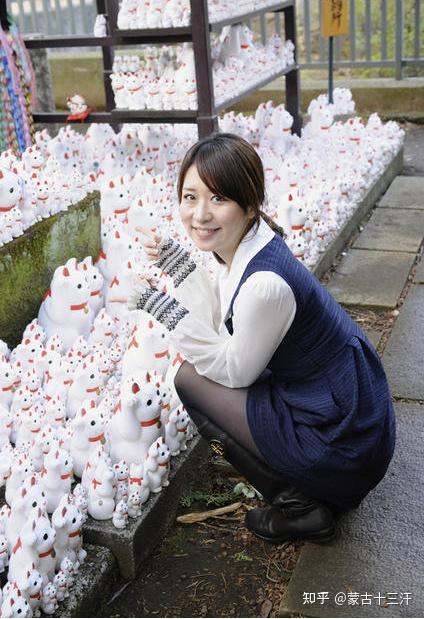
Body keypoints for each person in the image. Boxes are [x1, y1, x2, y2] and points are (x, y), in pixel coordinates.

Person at [128, 133, 396, 544]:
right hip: (342, 410)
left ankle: (300, 507)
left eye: (218, 199)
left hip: (343, 441)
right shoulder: (249, 245)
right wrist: (175, 264)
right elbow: (225, 320)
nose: (199, 214)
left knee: (189, 383)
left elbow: (234, 373)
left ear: (250, 204)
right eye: (189, 197)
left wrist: (161, 309)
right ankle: (300, 486)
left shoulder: (265, 283)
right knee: (198, 375)